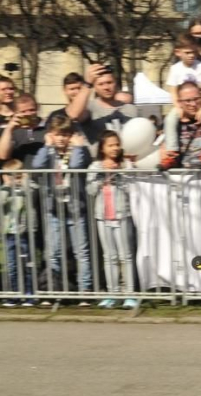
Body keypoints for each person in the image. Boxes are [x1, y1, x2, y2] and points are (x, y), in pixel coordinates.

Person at [32, 115, 93, 306]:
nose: (61, 139)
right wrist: (47, 146)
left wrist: (78, 146)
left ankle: (85, 291)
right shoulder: (49, 153)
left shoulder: (77, 152)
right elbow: (37, 165)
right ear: (51, 134)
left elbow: (75, 166)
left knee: (81, 251)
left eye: (65, 134)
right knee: (53, 252)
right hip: (54, 209)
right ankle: (52, 290)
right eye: (58, 134)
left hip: (75, 209)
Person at [87, 130, 137, 310]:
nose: (115, 148)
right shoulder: (95, 166)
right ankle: (112, 293)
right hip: (103, 215)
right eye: (111, 145)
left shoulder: (126, 164)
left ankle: (130, 294)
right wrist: (102, 174)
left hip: (122, 214)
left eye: (117, 144)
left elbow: (132, 188)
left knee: (126, 255)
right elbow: (91, 190)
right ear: (102, 148)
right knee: (109, 256)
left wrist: (120, 173)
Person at [163, 34, 201, 168]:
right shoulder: (175, 69)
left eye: (194, 52)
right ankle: (172, 152)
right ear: (178, 52)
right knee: (169, 119)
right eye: (187, 52)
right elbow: (173, 90)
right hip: (184, 104)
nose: (191, 55)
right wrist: (178, 107)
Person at [70, 64, 139, 147]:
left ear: (115, 83)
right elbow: (73, 114)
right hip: (96, 158)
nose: (106, 87)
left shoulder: (131, 109)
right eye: (101, 84)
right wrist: (87, 84)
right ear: (94, 87)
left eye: (109, 82)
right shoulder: (90, 108)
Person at [1, 159, 34, 307]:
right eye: (11, 175)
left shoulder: (25, 189)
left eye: (18, 176)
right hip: (9, 234)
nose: (15, 179)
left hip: (24, 233)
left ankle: (29, 295)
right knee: (12, 266)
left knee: (27, 265)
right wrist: (7, 186)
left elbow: (31, 192)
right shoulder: (4, 190)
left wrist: (25, 181)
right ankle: (13, 295)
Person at [0, 94, 47, 168]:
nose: (28, 114)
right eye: (23, 111)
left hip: (44, 176)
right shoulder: (12, 130)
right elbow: (3, 155)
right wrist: (9, 129)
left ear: (37, 107)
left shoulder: (48, 127)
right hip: (18, 177)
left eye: (32, 110)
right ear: (15, 112)